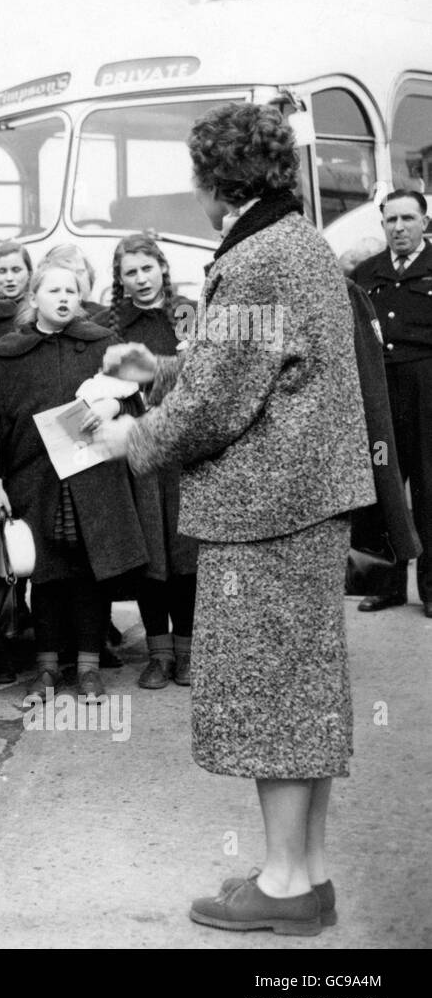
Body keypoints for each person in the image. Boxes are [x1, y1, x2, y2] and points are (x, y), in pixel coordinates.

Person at [93, 102, 374, 935]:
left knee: (271, 698)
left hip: (266, 512)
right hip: (305, 505)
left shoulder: (255, 259)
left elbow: (218, 402)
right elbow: (251, 362)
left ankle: (283, 884)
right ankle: (306, 872)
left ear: (214, 179)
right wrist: (161, 366)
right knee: (303, 692)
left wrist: (133, 437)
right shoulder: (300, 243)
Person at [0, 259, 150, 707]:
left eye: (71, 291)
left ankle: (87, 668)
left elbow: (136, 398)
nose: (63, 299)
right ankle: (45, 669)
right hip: (34, 476)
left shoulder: (103, 343)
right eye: (53, 291)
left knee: (88, 573)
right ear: (33, 297)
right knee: (45, 576)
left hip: (93, 474)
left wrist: (111, 408)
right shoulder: (9, 353)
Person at [106, 235, 199, 688]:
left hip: (183, 450)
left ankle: (187, 651)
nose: (141, 279)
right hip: (138, 449)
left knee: (185, 552)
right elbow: (106, 381)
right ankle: (158, 654)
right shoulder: (113, 325)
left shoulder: (187, 314)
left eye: (147, 268)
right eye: (131, 272)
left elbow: (203, 375)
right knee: (151, 554)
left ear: (162, 267)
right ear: (120, 280)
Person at [349, 189, 432, 616]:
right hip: (381, 397)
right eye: (391, 220)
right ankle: (386, 586)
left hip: (427, 392)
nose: (399, 228)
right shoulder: (366, 273)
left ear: (425, 222)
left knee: (430, 488)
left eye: (407, 219)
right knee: (384, 484)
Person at [42, 243, 106, 317]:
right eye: (68, 273)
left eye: (80, 272)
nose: (76, 279)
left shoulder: (106, 316)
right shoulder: (40, 317)